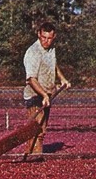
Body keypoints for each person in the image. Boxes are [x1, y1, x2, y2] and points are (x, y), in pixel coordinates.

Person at [22, 20, 70, 159]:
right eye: (43, 37)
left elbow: (53, 65)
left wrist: (62, 79)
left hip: (47, 95)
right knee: (35, 131)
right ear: (39, 34)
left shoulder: (51, 50)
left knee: (42, 131)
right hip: (34, 96)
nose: (46, 41)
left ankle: (35, 156)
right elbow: (31, 79)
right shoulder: (33, 52)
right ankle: (33, 159)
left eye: (49, 38)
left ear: (54, 37)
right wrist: (43, 95)